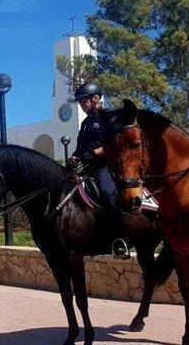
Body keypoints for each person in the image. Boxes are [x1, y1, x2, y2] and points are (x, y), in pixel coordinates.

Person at [66, 82, 130, 260]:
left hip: (103, 167)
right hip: (85, 168)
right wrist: (73, 158)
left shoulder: (108, 118)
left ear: (95, 99)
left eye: (83, 101)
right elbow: (80, 148)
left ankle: (120, 239)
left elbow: (115, 145)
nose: (82, 105)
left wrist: (93, 153)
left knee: (108, 194)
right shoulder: (85, 123)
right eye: (80, 102)